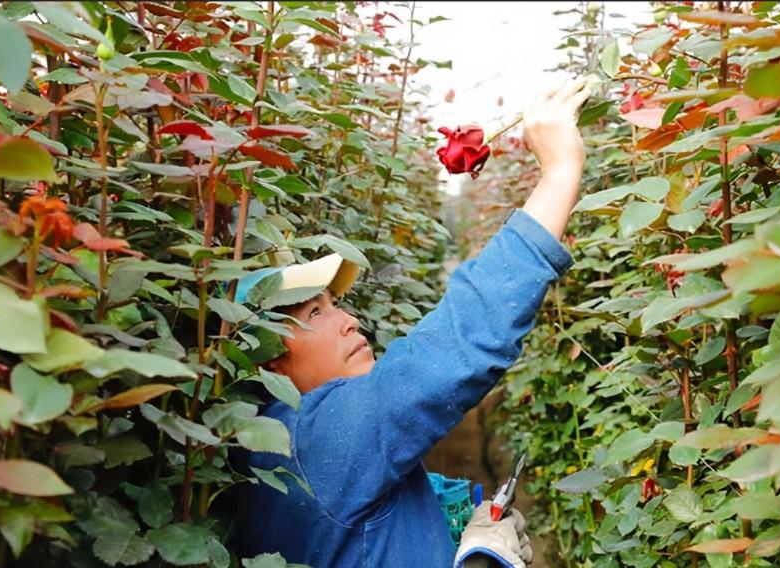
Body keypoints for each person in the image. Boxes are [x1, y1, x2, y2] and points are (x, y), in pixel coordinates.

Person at [231, 76, 592, 567]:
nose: (350, 321)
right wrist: (559, 173)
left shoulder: (265, 450)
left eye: (336, 305)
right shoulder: (315, 442)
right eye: (315, 312)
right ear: (267, 360)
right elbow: (456, 345)